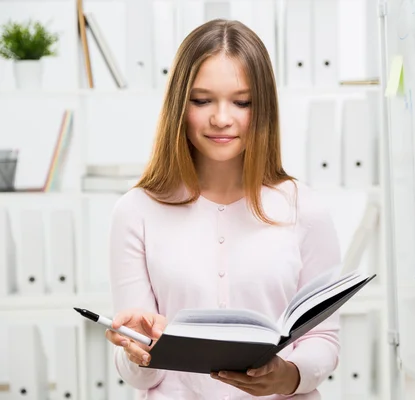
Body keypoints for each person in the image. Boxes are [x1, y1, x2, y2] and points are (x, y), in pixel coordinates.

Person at [104, 19, 342, 399]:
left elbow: (324, 339)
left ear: (262, 107)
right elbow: (138, 375)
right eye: (202, 100)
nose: (221, 118)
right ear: (180, 105)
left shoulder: (304, 208)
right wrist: (138, 352)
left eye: (242, 101)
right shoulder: (136, 211)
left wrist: (288, 375)